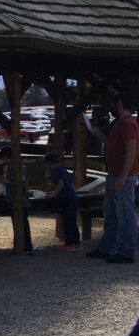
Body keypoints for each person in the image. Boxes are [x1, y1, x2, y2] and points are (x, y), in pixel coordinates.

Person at [87, 93, 139, 264]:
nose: (112, 108)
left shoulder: (127, 124)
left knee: (125, 214)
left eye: (114, 104)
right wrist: (100, 135)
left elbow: (131, 152)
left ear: (120, 104)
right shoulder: (122, 124)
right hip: (115, 175)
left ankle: (126, 252)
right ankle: (108, 246)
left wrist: (122, 178)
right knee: (111, 213)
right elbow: (114, 144)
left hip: (122, 177)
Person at [0, 147, 37, 254]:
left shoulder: (17, 168)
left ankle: (26, 247)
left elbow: (20, 184)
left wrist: (6, 181)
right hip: (16, 201)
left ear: (7, 157)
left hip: (20, 201)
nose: (3, 161)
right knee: (20, 225)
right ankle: (23, 246)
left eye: (4, 159)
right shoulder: (14, 167)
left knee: (22, 225)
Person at [44, 152, 81, 251]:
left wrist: (53, 194)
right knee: (73, 221)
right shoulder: (64, 170)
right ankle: (76, 242)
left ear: (49, 163)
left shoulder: (56, 171)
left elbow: (61, 184)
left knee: (67, 221)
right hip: (72, 197)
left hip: (65, 199)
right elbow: (72, 185)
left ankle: (69, 243)